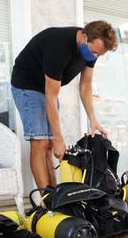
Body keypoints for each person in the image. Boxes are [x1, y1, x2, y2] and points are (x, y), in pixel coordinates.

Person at [11, 21, 117, 190]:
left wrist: (93, 119)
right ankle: (46, 204)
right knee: (40, 142)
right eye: (94, 52)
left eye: (99, 55)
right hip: (27, 85)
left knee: (50, 145)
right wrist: (59, 138)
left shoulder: (90, 52)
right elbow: (51, 98)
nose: (95, 57)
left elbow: (85, 85)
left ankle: (54, 196)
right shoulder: (59, 46)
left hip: (47, 88)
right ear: (84, 36)